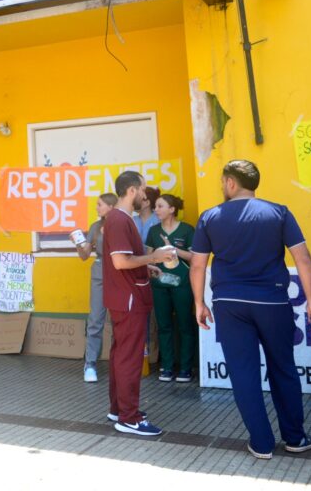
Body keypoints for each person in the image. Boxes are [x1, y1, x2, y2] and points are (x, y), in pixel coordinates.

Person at [190, 159, 311, 459]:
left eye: (222, 181)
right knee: (283, 368)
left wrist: (199, 302)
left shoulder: (209, 217)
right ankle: (295, 438)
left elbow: (197, 265)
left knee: (243, 373)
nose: (222, 186)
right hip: (272, 302)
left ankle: (261, 443)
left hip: (229, 304)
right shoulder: (279, 212)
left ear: (231, 182)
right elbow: (303, 259)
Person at [103, 170, 176, 436]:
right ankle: (129, 418)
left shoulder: (123, 219)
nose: (146, 196)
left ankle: (119, 409)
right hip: (129, 300)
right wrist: (154, 258)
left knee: (120, 356)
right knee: (130, 359)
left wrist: (146, 267)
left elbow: (128, 260)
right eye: (143, 190)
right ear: (132, 190)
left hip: (127, 297)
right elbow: (121, 262)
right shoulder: (119, 220)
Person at [144, 194, 196, 384]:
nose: (156, 210)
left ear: (172, 209)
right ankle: (166, 366)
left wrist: (173, 249)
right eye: (156, 206)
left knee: (185, 325)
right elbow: (148, 257)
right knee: (164, 326)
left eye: (160, 206)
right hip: (159, 285)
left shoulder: (187, 230)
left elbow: (194, 257)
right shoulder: (153, 230)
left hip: (182, 284)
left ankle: (185, 368)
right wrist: (151, 265)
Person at [72, 193, 118, 383]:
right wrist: (79, 243)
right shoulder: (95, 227)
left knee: (119, 321)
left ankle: (119, 363)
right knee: (95, 319)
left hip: (119, 274)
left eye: (100, 204)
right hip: (99, 273)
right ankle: (90, 364)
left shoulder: (122, 224)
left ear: (111, 206)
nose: (97, 208)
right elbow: (84, 256)